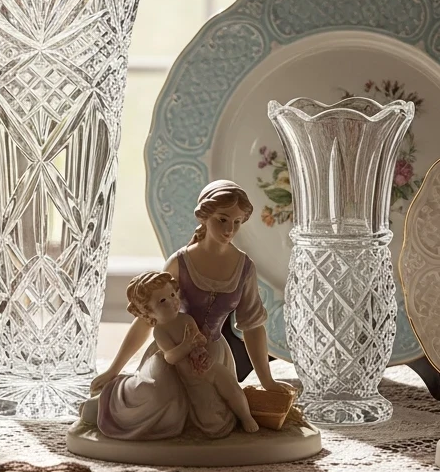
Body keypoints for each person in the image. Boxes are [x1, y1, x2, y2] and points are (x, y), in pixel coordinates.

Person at [91, 180, 291, 439]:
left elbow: (252, 327)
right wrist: (113, 369)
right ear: (204, 217)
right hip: (171, 352)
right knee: (158, 401)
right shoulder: (180, 262)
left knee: (217, 420)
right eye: (222, 220)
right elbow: (147, 318)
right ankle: (103, 405)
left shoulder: (244, 268)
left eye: (237, 222)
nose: (229, 229)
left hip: (213, 354)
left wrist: (267, 381)